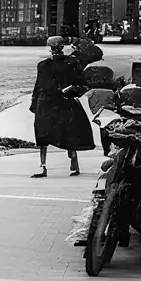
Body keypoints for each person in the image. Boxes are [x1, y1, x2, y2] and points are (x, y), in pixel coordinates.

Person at [30, 35, 94, 177]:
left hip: (56, 101)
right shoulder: (56, 64)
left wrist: (34, 103)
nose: (55, 49)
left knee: (59, 133)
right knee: (51, 133)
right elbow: (39, 84)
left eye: (56, 47)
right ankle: (66, 163)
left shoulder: (64, 63)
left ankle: (67, 163)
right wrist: (34, 102)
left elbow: (81, 83)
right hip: (54, 101)